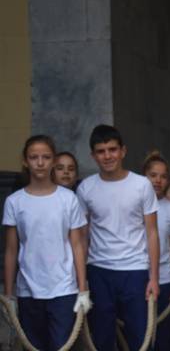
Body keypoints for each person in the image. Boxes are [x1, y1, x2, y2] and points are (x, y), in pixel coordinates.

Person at [2, 135, 91, 350]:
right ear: (25, 161)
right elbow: (11, 250)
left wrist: (82, 290)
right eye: (34, 157)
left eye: (46, 157)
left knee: (61, 345)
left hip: (63, 289)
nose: (40, 162)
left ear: (52, 161)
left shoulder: (68, 199)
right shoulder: (15, 202)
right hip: (28, 290)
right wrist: (9, 294)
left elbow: (78, 245)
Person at [76, 125, 160, 350]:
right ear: (93, 155)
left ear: (123, 151)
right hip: (99, 270)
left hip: (135, 270)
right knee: (101, 338)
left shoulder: (142, 185)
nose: (107, 156)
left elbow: (152, 233)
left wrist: (154, 277)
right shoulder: (85, 188)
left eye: (112, 149)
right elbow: (81, 238)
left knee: (140, 337)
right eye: (101, 151)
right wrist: (82, 280)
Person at [142, 151, 170, 350]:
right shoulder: (134, 202)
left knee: (163, 340)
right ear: (144, 176)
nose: (158, 180)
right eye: (153, 175)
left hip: (166, 279)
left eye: (163, 176)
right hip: (138, 276)